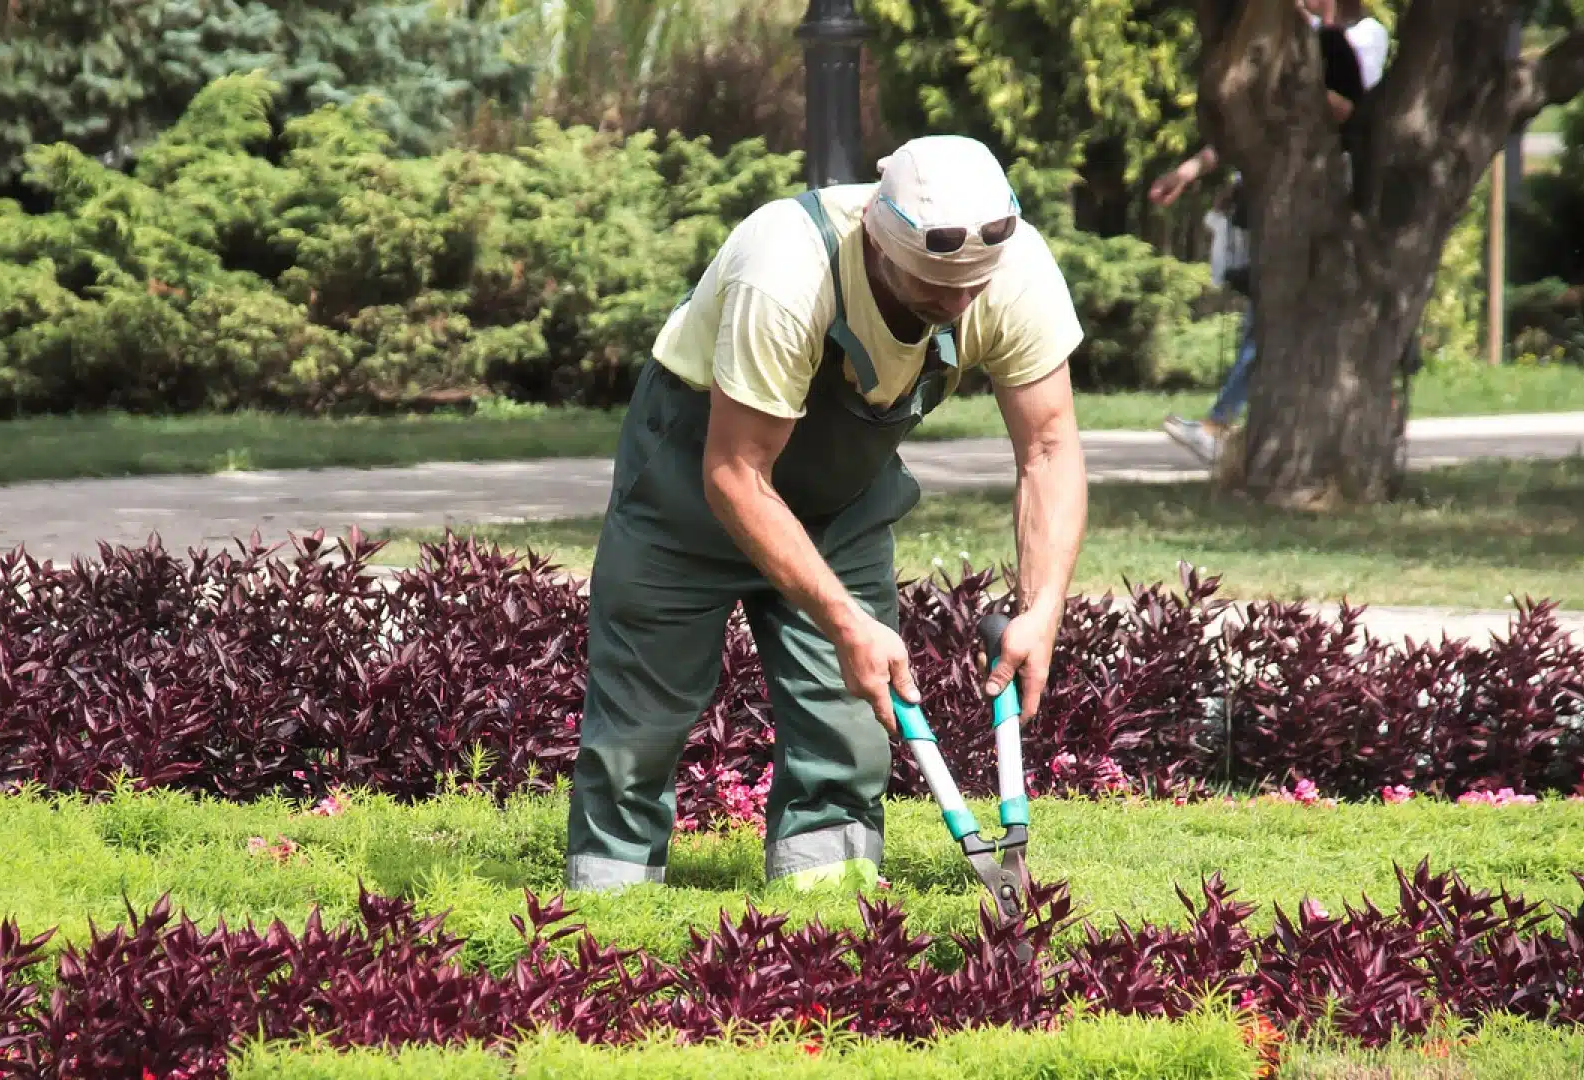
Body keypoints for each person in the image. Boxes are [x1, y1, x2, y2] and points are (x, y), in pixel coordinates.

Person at [563, 135, 1089, 892]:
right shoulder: (787, 269)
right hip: (692, 484)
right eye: (936, 287)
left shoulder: (1012, 270)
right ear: (879, 238)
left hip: (841, 501)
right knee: (641, 724)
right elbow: (735, 473)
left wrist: (1042, 609)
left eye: (973, 288)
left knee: (849, 728)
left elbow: (1048, 447)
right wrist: (845, 621)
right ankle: (610, 921)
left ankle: (827, 921)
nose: (960, 304)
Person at [1152, 0, 1384, 465]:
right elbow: (1250, 129)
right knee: (1267, 316)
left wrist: (1304, 78)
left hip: (1326, 202)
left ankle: (1222, 425)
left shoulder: (1350, 41)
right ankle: (1228, 425)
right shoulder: (1288, 41)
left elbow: (1345, 106)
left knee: (1273, 320)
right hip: (1276, 205)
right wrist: (1191, 170)